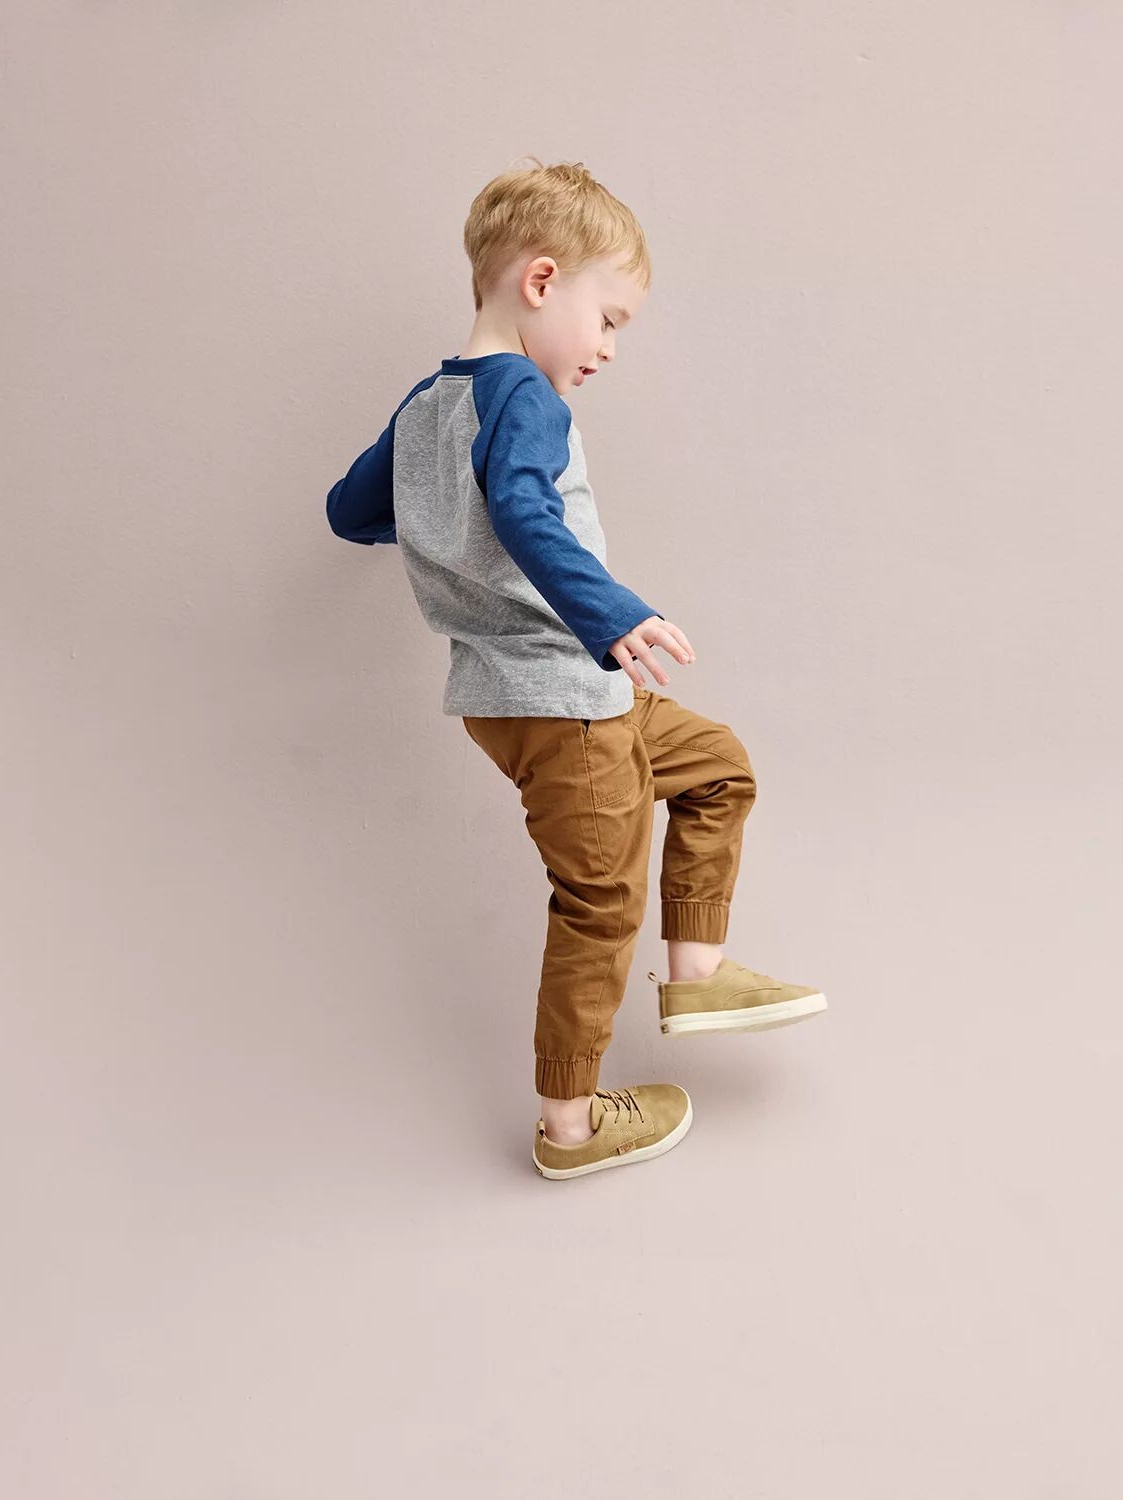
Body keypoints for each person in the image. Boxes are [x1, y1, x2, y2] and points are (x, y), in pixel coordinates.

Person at [324, 157, 828, 1180]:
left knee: (716, 766)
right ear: (542, 281)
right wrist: (613, 613)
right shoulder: (525, 394)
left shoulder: (428, 405)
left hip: (526, 701)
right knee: (599, 902)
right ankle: (570, 1126)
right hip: (568, 696)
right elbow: (523, 509)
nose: (606, 349)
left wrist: (442, 532)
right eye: (607, 320)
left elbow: (350, 511)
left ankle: (696, 971)